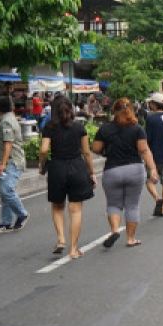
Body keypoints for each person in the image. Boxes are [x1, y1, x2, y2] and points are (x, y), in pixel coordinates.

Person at [93, 97, 159, 248]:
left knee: (113, 204)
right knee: (132, 205)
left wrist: (106, 150)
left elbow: (95, 148)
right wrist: (153, 169)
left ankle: (115, 230)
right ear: (132, 110)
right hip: (134, 170)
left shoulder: (105, 128)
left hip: (112, 171)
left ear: (114, 111)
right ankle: (130, 239)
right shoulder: (137, 128)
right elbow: (144, 150)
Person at [38, 96, 96, 257]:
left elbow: (43, 150)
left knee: (57, 206)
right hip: (77, 167)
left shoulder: (49, 128)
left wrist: (42, 164)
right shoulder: (79, 127)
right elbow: (86, 153)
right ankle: (73, 249)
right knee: (76, 210)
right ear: (70, 109)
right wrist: (91, 173)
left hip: (57, 168)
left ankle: (61, 239)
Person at [0, 95, 29, 234]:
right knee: (3, 192)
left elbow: (8, 144)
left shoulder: (6, 121)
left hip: (12, 161)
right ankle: (5, 222)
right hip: (8, 160)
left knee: (6, 190)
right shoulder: (7, 119)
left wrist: (3, 164)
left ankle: (22, 213)